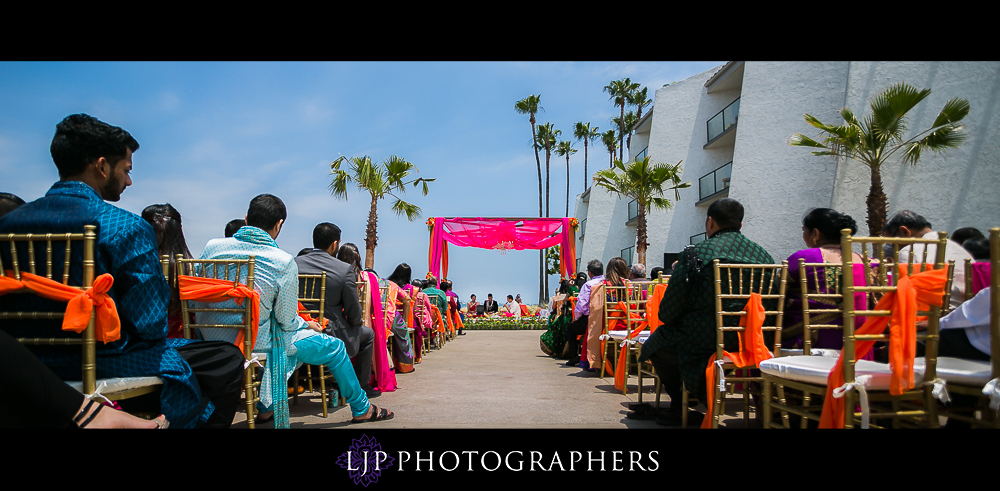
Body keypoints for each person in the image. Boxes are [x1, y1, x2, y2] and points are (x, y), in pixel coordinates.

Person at [0, 114, 244, 429]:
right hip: (103, 360)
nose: (129, 181)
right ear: (102, 166)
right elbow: (150, 324)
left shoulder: (9, 224)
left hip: (24, 360)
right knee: (225, 358)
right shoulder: (124, 227)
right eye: (126, 170)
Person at [196, 194, 392, 424]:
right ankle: (362, 408)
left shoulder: (211, 247)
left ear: (247, 218)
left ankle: (267, 405)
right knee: (332, 347)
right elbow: (287, 321)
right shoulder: (281, 261)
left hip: (209, 338)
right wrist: (307, 324)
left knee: (291, 344)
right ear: (279, 224)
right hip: (257, 342)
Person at [636, 198, 774, 426]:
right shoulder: (763, 256)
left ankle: (682, 400)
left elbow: (668, 312)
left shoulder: (696, 254)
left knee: (657, 344)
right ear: (740, 224)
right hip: (753, 340)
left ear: (709, 222)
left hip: (704, 338)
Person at [0, 329, 168, 429]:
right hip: (93, 355)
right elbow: (148, 322)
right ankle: (92, 415)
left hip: (24, 351)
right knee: (182, 362)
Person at [294, 223, 377, 396]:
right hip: (331, 332)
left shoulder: (294, 263)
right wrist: (355, 324)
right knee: (367, 334)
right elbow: (354, 311)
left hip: (298, 329)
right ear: (334, 244)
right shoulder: (342, 269)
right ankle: (360, 388)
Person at [783, 208, 869, 354]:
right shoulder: (866, 261)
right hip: (860, 339)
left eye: (804, 230)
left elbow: (777, 291)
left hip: (808, 340)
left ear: (815, 234)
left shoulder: (803, 258)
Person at [885, 210, 972, 310]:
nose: (892, 248)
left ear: (904, 231)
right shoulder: (959, 249)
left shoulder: (909, 251)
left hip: (930, 318)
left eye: (892, 243)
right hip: (967, 315)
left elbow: (902, 296)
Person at [141, 204, 195, 339]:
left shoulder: (137, 265)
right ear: (180, 230)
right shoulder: (192, 268)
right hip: (184, 339)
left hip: (143, 338)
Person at [564, 259, 604, 368]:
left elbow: (581, 305)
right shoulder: (607, 283)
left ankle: (574, 356)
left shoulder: (589, 285)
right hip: (606, 319)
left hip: (590, 320)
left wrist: (576, 318)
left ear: (590, 272)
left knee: (569, 328)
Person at [383, 263, 416, 372]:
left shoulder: (383, 283)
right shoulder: (410, 289)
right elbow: (407, 300)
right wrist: (405, 321)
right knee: (403, 334)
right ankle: (405, 366)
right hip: (390, 316)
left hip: (374, 317)